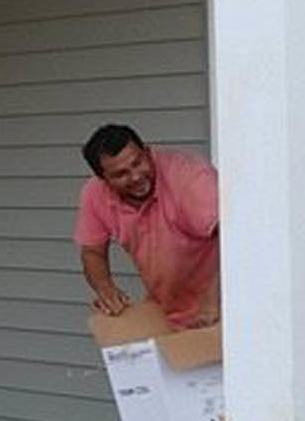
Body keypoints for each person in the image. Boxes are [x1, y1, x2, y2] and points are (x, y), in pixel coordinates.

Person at [73, 123, 220, 329]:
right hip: (168, 313)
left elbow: (237, 238)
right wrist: (105, 289)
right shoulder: (94, 194)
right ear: (103, 179)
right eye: (121, 174)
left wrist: (214, 299)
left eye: (138, 162)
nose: (136, 176)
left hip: (226, 306)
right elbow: (92, 252)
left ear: (147, 151)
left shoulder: (190, 176)